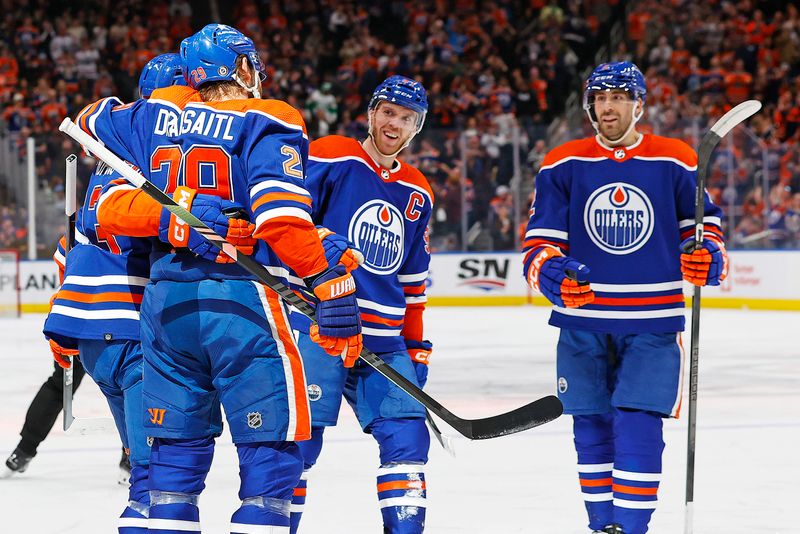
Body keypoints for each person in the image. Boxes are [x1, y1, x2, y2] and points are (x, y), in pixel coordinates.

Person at [78, 24, 363, 533]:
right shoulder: (267, 116)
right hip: (239, 302)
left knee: (172, 469)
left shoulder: (148, 118)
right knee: (271, 457)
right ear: (238, 67)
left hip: (166, 306)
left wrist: (169, 121)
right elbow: (279, 221)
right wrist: (327, 279)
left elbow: (89, 123)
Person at [521, 62, 728, 534]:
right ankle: (603, 528)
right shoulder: (562, 162)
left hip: (652, 321)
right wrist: (552, 274)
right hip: (583, 322)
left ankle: (632, 529)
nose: (607, 106)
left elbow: (705, 229)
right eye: (600, 97)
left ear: (639, 104)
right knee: (590, 427)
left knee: (638, 425)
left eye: (618, 96)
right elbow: (539, 244)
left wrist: (707, 256)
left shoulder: (675, 159)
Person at [36, 53, 187, 533]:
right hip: (132, 331)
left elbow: (69, 250)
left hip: (89, 336)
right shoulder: (159, 162)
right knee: (155, 476)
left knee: (144, 465)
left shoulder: (105, 162)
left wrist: (64, 329)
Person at [288, 75, 433, 534]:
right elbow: (286, 221)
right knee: (298, 446)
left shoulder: (418, 190)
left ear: (416, 128)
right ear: (372, 113)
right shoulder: (332, 154)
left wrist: (417, 344)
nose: (394, 124)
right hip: (319, 325)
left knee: (408, 438)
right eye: (388, 112)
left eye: (406, 118)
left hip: (384, 341)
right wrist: (324, 243)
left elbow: (412, 281)